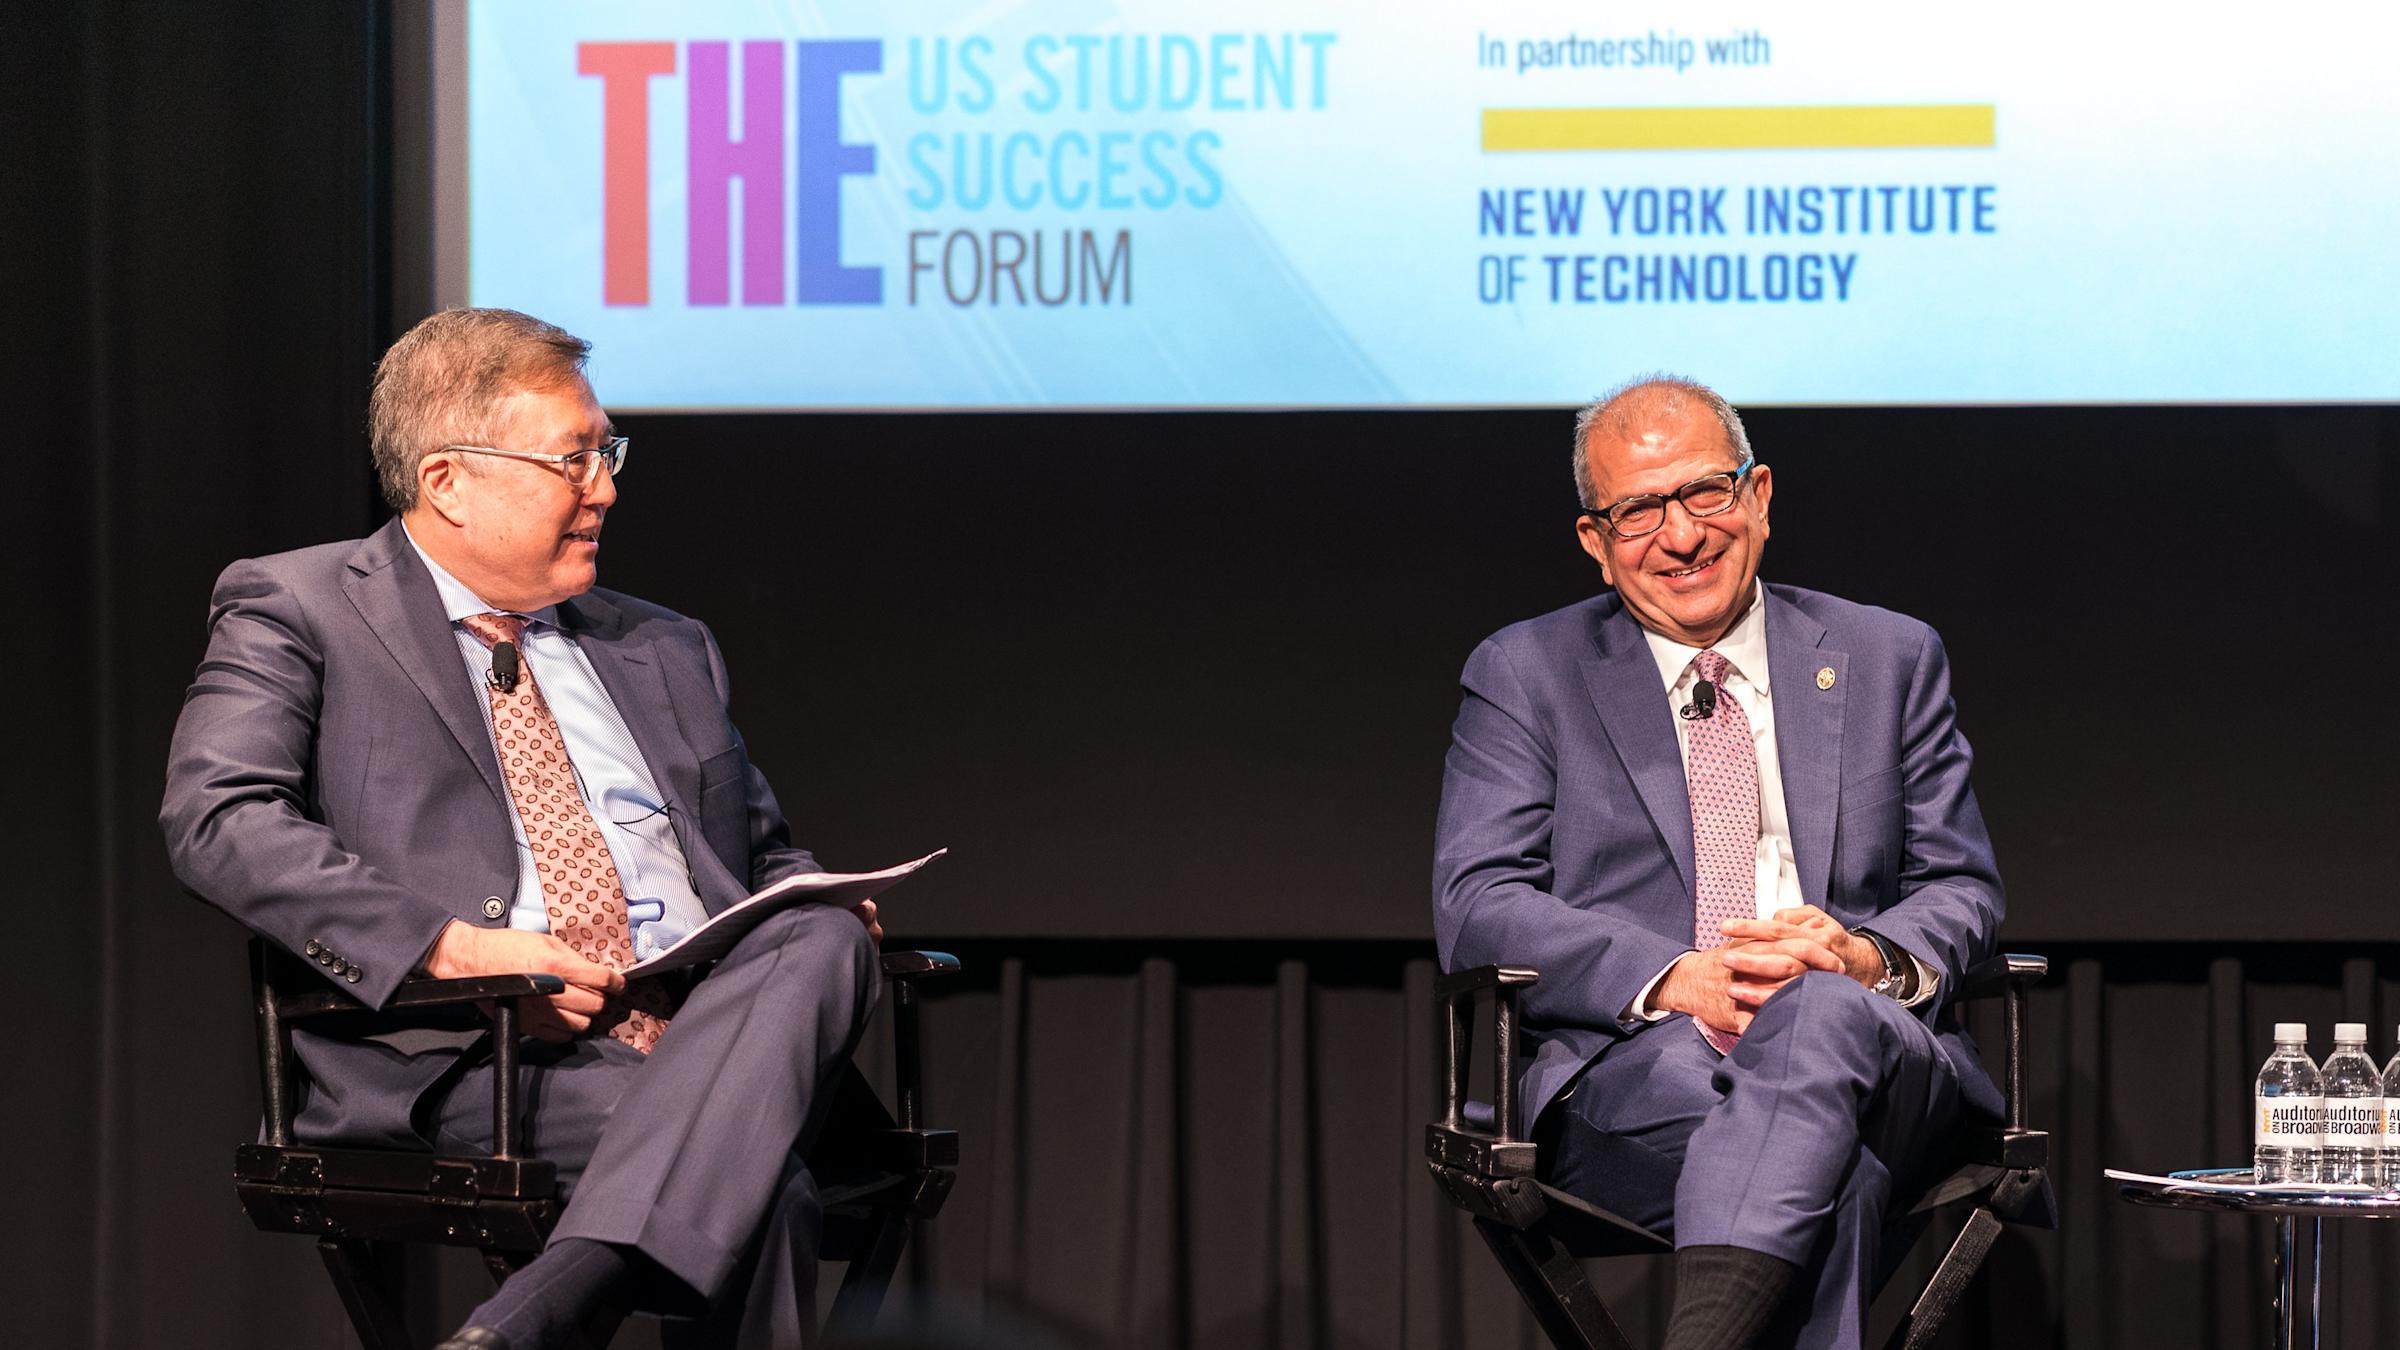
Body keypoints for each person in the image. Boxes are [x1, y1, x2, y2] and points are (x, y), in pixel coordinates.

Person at [162, 307, 884, 1350]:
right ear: (448, 480)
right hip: (477, 1057)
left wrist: (820, 896)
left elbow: (763, 859)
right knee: (764, 1184)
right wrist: (451, 950)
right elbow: (218, 819)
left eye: (609, 451)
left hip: (712, 1029)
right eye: (575, 458)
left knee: (815, 934)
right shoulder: (299, 606)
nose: (607, 486)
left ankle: (530, 1320)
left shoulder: (665, 645)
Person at [1431, 376, 2006, 1350]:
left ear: (1760, 497)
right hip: (1646, 1070)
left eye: (1706, 493)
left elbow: (1962, 886)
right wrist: (1675, 978)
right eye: (1640, 511)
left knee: (1819, 1011)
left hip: (1878, 1052)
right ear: (1595, 542)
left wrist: (1865, 959)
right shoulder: (1527, 674)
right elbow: (1478, 902)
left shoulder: (1887, 656)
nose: (1683, 535)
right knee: (1834, 1174)